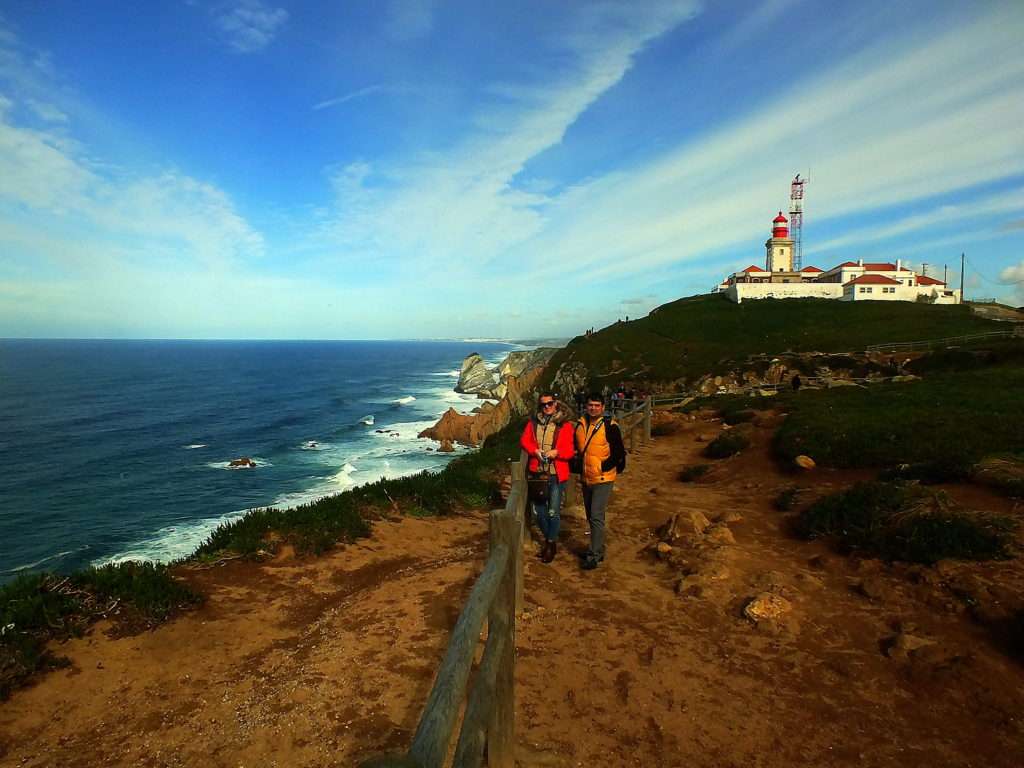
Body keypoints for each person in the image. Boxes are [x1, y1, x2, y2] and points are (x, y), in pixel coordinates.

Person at [520, 392, 575, 563]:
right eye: (543, 404)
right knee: (538, 512)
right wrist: (534, 451)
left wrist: (556, 452)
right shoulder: (533, 423)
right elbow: (524, 441)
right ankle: (551, 540)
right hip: (538, 474)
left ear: (555, 404)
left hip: (556, 475)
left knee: (553, 512)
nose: (546, 407)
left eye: (549, 403)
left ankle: (550, 544)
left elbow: (570, 451)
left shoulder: (565, 425)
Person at [575, 393, 626, 570]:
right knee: (591, 515)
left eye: (597, 405)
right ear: (586, 407)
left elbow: (619, 453)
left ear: (603, 407)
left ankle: (594, 555)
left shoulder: (610, 426)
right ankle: (597, 548)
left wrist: (602, 467)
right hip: (586, 477)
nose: (593, 408)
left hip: (603, 478)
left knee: (596, 515)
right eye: (591, 405)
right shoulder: (580, 425)